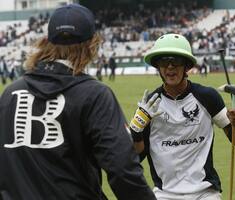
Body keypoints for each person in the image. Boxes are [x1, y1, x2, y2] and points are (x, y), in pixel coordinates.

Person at [0, 4, 156, 200]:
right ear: (92, 45)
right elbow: (122, 169)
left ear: (46, 41)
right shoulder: (95, 95)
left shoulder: (10, 93)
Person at [129, 33, 235, 200]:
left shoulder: (208, 97)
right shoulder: (150, 104)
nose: (170, 67)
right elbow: (136, 157)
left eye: (176, 61)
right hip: (165, 194)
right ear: (157, 66)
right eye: (164, 62)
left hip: (205, 192)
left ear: (187, 66)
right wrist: (136, 132)